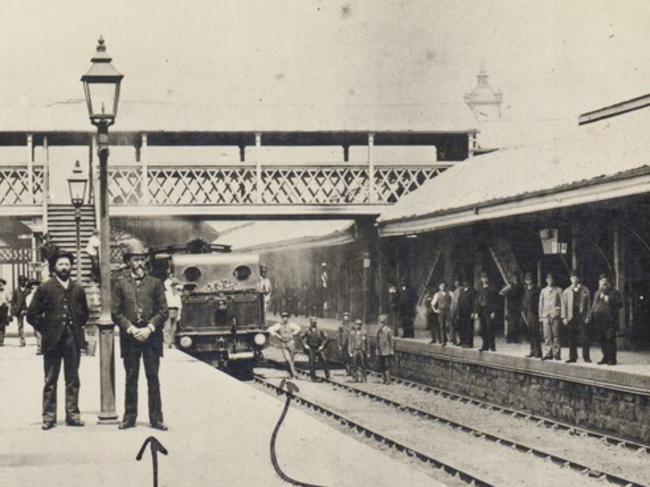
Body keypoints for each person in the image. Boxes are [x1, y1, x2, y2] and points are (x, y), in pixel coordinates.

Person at [26, 249, 88, 430]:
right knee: (50, 379)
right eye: (61, 264)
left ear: (71, 267)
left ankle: (73, 415)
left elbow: (85, 313)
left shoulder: (78, 289)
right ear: (54, 267)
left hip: (72, 340)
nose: (64, 267)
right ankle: (49, 417)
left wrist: (75, 326)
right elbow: (32, 315)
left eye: (67, 264)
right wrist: (46, 329)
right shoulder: (44, 288)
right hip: (52, 340)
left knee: (73, 379)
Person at [111, 238, 169, 430]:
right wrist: (131, 328)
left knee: (153, 378)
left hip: (151, 338)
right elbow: (116, 312)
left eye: (141, 259)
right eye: (134, 259)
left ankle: (156, 418)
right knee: (131, 378)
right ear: (128, 261)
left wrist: (149, 328)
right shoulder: (119, 284)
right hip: (131, 339)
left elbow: (163, 311)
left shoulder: (155, 283)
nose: (138, 263)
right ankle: (129, 417)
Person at [588, 274, 622, 366]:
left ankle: (612, 358)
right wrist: (591, 314)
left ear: (609, 283)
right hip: (599, 320)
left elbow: (620, 305)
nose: (603, 284)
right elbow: (593, 305)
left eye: (605, 282)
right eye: (601, 282)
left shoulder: (615, 292)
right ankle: (605, 356)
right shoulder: (597, 293)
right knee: (601, 339)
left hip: (610, 320)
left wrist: (609, 300)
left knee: (610, 339)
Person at [561, 269, 592, 363]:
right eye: (572, 277)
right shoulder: (566, 291)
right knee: (571, 337)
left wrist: (588, 316)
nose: (574, 279)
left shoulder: (585, 290)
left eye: (575, 277)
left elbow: (589, 305)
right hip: (571, 316)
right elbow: (564, 305)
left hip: (581, 316)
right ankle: (572, 357)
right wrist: (564, 317)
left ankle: (586, 357)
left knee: (584, 337)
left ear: (578, 278)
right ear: (570, 279)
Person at [267, 311, 302, 377]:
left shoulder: (291, 325)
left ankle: (289, 373)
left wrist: (293, 334)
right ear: (281, 318)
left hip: (291, 343)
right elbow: (270, 329)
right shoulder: (279, 325)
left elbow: (299, 328)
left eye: (286, 317)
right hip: (283, 344)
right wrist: (277, 335)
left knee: (291, 359)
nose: (284, 318)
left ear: (288, 318)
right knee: (288, 359)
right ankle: (294, 372)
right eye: (283, 317)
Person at [539, 273, 563, 360]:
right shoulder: (543, 291)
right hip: (546, 315)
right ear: (546, 280)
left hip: (555, 315)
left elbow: (562, 303)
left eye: (551, 279)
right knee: (547, 335)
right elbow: (541, 304)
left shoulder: (558, 290)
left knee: (556, 335)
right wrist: (540, 316)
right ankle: (548, 353)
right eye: (548, 279)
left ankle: (557, 354)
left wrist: (560, 312)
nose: (550, 281)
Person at [473, 272, 499, 351]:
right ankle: (485, 345)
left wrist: (494, 311)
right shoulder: (480, 288)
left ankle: (492, 347)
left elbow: (495, 301)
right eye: (483, 278)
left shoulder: (492, 288)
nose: (484, 279)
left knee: (490, 328)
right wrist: (476, 312)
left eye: (485, 278)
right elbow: (477, 300)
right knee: (482, 330)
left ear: (488, 279)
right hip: (482, 310)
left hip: (489, 311)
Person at [300, 316, 330, 381]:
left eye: (315, 322)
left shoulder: (320, 330)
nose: (314, 323)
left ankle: (328, 375)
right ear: (310, 322)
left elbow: (327, 338)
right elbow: (301, 338)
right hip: (311, 348)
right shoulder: (307, 330)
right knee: (311, 362)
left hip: (318, 348)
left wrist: (322, 346)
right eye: (312, 322)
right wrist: (305, 345)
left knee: (324, 360)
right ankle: (312, 377)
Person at [522, 272, 542, 359]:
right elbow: (524, 301)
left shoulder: (537, 290)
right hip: (528, 313)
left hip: (535, 313)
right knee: (530, 332)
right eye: (527, 280)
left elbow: (539, 302)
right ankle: (532, 351)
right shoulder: (526, 289)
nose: (528, 281)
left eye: (529, 279)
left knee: (535, 332)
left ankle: (538, 352)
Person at [500, 274, 523, 343]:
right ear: (512, 278)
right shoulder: (510, 286)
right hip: (511, 307)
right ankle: (509, 339)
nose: (515, 279)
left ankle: (515, 339)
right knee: (511, 324)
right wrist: (508, 295)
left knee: (516, 323)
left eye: (517, 278)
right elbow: (501, 292)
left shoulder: (520, 286)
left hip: (518, 306)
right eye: (514, 278)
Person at [431, 282, 453, 346]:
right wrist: (436, 310)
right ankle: (443, 341)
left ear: (446, 286)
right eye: (441, 286)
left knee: (451, 324)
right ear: (439, 287)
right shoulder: (437, 294)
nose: (443, 287)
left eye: (444, 286)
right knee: (442, 325)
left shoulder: (450, 293)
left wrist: (451, 308)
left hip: (448, 310)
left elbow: (454, 302)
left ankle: (453, 339)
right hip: (441, 310)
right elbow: (433, 304)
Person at [456, 278, 476, 348]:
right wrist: (458, 312)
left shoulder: (472, 291)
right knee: (462, 327)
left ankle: (469, 343)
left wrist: (473, 312)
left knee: (469, 328)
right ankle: (462, 341)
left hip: (469, 312)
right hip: (462, 312)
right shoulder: (461, 291)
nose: (465, 283)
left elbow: (474, 302)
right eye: (464, 282)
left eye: (466, 282)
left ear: (469, 283)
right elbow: (459, 302)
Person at [163, 279, 183, 349]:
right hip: (168, 310)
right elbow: (164, 304)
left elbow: (180, 305)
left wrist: (179, 315)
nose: (176, 288)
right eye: (175, 286)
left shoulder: (177, 295)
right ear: (172, 286)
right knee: (167, 328)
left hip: (176, 310)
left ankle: (172, 343)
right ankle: (166, 343)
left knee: (174, 328)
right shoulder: (166, 294)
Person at [11, 275, 29, 347]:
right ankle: (22, 341)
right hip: (19, 310)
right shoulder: (16, 290)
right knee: (20, 325)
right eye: (21, 281)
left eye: (24, 280)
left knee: (33, 323)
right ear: (19, 282)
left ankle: (39, 341)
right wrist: (15, 308)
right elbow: (13, 301)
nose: (22, 282)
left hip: (27, 309)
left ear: (25, 281)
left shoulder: (28, 290)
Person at [376, 314, 394, 384]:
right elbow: (377, 341)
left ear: (384, 323)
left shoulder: (389, 330)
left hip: (387, 351)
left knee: (387, 365)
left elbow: (391, 341)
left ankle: (388, 379)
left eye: (380, 323)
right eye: (379, 323)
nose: (379, 324)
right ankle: (384, 378)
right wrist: (377, 349)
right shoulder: (379, 331)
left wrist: (392, 349)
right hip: (381, 351)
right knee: (382, 365)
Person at [26, 280, 42, 354]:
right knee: (37, 332)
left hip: (42, 315)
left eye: (36, 287)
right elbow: (28, 307)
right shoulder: (29, 297)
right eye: (32, 288)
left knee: (40, 331)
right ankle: (40, 346)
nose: (34, 289)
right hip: (34, 316)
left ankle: (40, 348)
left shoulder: (43, 295)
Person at [337, 311, 352, 376]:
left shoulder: (351, 326)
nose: (346, 318)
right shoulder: (340, 326)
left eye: (347, 317)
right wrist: (339, 345)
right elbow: (338, 336)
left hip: (350, 343)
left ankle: (350, 370)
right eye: (345, 317)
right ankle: (347, 370)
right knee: (345, 357)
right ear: (343, 318)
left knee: (350, 357)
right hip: (343, 344)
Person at [0, 279, 8, 346]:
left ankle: (1, 340)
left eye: (1, 284)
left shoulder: (6, 292)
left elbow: (9, 301)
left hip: (3, 310)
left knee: (2, 325)